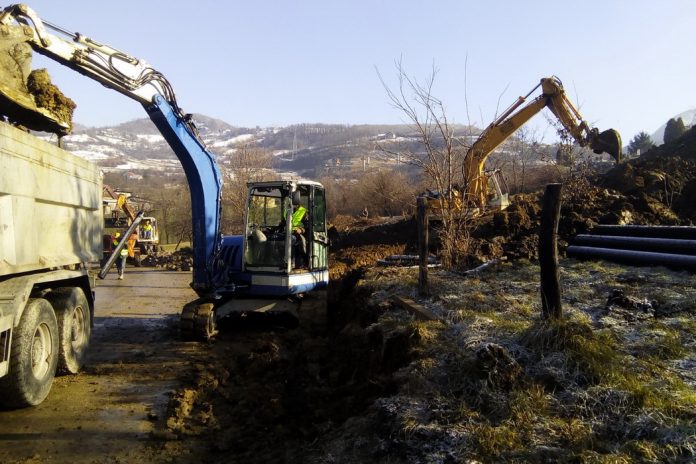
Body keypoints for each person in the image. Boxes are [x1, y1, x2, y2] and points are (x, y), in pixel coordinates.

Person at [291, 203, 308, 268]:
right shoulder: (287, 211)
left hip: (298, 235)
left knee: (292, 240)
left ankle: (299, 262)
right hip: (287, 233)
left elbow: (308, 226)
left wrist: (301, 230)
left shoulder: (303, 212)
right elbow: (283, 223)